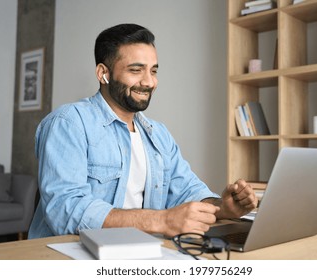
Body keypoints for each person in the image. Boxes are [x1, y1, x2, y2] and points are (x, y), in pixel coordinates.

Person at [28, 23, 258, 239]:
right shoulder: (68, 123)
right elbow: (66, 210)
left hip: (141, 252)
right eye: (136, 70)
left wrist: (221, 207)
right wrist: (162, 221)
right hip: (70, 256)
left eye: (153, 71)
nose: (149, 82)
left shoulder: (158, 134)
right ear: (103, 73)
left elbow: (187, 190)